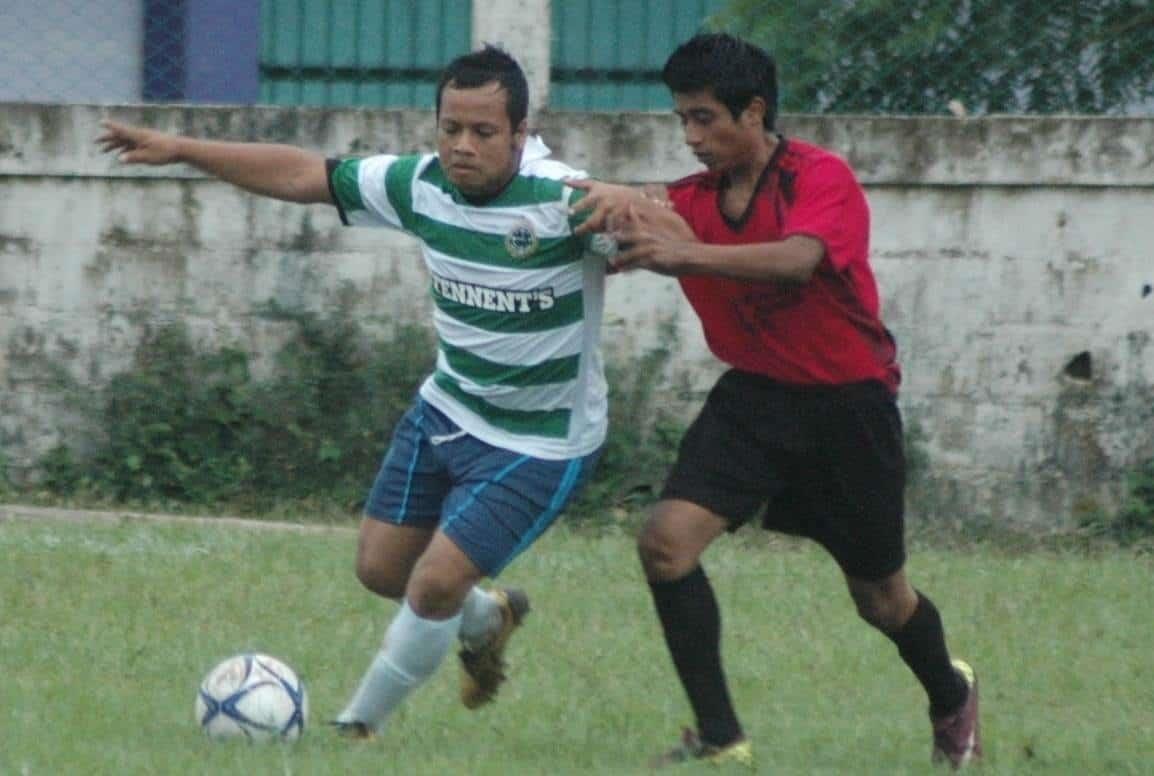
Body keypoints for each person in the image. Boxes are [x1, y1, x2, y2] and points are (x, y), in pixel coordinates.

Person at [98, 45, 614, 738]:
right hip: (450, 408)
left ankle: (354, 730)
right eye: (450, 127)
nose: (462, 146)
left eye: (484, 132)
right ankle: (487, 618)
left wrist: (645, 214)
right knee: (379, 569)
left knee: (432, 583)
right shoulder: (419, 184)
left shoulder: (566, 202)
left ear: (522, 135)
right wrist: (182, 147)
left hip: (540, 441)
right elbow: (302, 173)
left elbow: (672, 231)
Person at [571, 33, 981, 769]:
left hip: (847, 408)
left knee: (882, 601)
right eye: (681, 121)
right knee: (665, 544)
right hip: (756, 399)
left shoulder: (820, 178)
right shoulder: (690, 202)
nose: (691, 137)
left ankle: (951, 696)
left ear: (753, 111)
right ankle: (721, 737)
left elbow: (798, 260)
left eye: (704, 119)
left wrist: (681, 252)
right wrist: (589, 204)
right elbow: (641, 215)